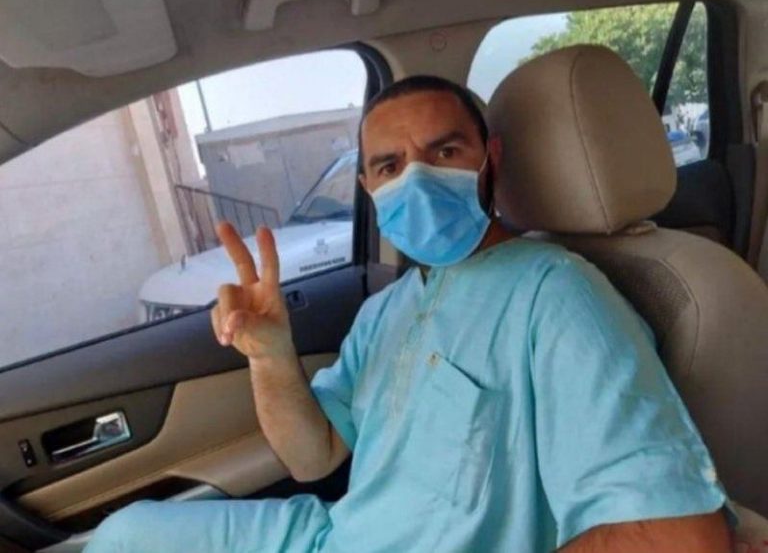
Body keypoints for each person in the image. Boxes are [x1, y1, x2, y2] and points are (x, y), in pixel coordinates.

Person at [85, 76, 732, 552]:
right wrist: (271, 356)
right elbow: (314, 458)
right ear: (368, 187)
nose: (416, 180)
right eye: (390, 165)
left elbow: (679, 535)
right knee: (124, 535)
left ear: (491, 160)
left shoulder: (558, 296)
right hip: (335, 535)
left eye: (445, 153)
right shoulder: (388, 308)